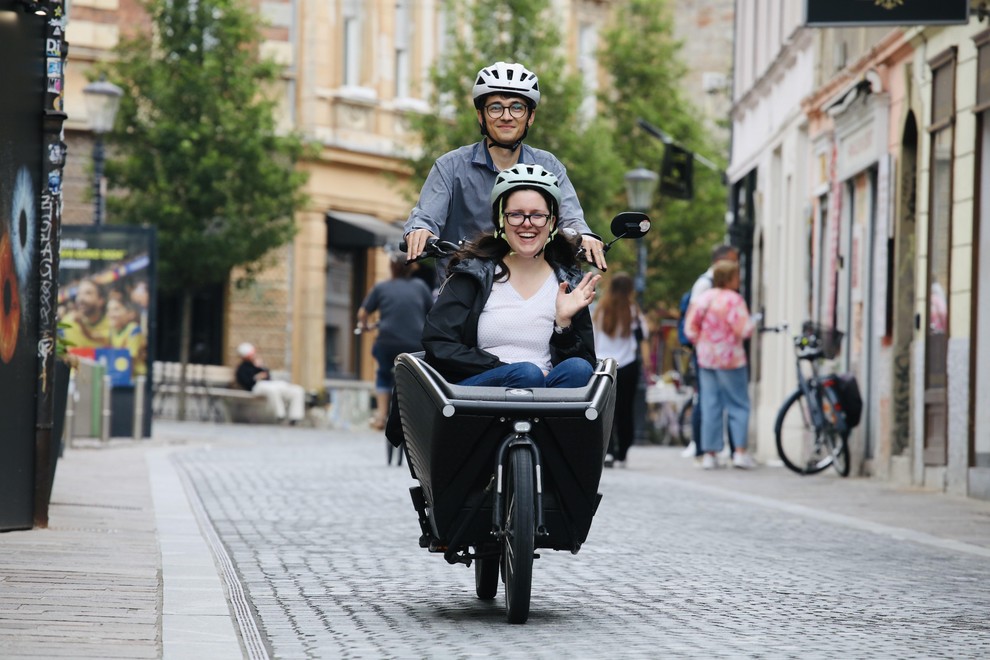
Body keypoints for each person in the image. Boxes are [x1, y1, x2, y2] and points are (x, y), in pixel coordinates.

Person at [403, 61, 607, 275]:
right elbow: (425, 216)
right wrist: (420, 230)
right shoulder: (450, 166)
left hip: (531, 287)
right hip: (465, 288)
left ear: (531, 117)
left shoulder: (549, 166)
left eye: (517, 107)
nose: (506, 116)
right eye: (496, 107)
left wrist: (585, 236)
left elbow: (571, 217)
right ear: (481, 116)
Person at [421, 164, 600, 388]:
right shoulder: (472, 274)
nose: (527, 223)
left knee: (578, 368)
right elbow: (439, 343)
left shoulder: (569, 284)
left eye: (538, 216)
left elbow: (586, 365)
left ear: (552, 223)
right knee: (527, 374)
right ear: (501, 221)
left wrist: (563, 324)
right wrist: (505, 369)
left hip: (548, 404)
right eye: (516, 215)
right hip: (480, 398)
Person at [684, 259, 756, 470]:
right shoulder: (734, 300)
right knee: (738, 404)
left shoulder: (704, 298)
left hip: (707, 357)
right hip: (731, 358)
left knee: (710, 404)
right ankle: (739, 453)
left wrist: (703, 341)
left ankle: (710, 453)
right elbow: (744, 330)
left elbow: (690, 328)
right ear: (730, 278)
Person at [357, 254, 434, 430]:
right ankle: (415, 415)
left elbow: (362, 313)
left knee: (383, 373)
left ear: (391, 268)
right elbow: (432, 313)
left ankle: (381, 417)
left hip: (387, 342)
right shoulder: (420, 287)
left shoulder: (381, 287)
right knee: (416, 377)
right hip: (414, 344)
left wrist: (365, 326)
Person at [683, 244, 739, 463]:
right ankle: (704, 448)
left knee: (712, 399)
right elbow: (692, 321)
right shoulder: (705, 286)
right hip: (712, 354)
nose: (736, 266)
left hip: (714, 353)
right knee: (708, 399)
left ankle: (711, 450)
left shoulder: (715, 288)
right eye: (733, 261)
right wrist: (702, 343)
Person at [593, 273, 648, 468]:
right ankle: (623, 452)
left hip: (604, 365)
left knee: (605, 409)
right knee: (626, 410)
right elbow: (644, 334)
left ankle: (607, 451)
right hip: (627, 365)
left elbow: (594, 337)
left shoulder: (600, 310)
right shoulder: (632, 311)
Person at [234, 342, 306, 425]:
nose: (254, 355)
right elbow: (246, 382)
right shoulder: (242, 368)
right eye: (252, 353)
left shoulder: (257, 365)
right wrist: (257, 377)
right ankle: (280, 416)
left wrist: (260, 367)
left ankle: (295, 418)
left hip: (271, 383)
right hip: (257, 387)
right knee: (272, 390)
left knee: (297, 390)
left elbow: (268, 375)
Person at [60, 277, 110, 348]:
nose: (81, 299)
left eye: (88, 293)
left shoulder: (112, 324)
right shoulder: (67, 323)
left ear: (100, 300)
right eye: (79, 294)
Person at [107, 297, 146, 377]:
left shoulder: (134, 329)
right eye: (109, 310)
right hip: (121, 375)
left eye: (116, 309)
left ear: (130, 314)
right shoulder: (113, 331)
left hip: (136, 377)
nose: (111, 314)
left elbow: (131, 359)